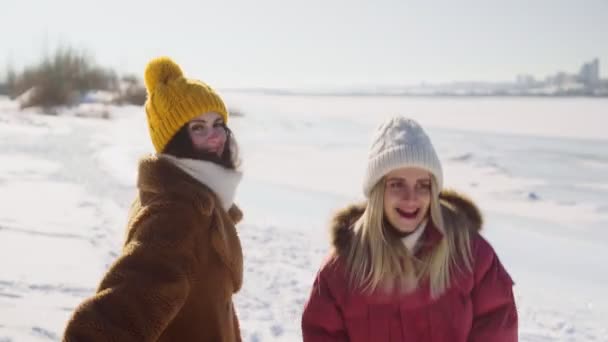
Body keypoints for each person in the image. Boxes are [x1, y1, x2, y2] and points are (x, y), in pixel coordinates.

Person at [63, 56, 245, 342]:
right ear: (174, 139)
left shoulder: (194, 198)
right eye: (198, 127)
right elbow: (115, 317)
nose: (215, 137)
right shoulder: (180, 212)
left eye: (218, 123)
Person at [301, 116, 518, 341]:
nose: (411, 198)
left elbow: (497, 328)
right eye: (397, 185)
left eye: (423, 186)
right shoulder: (342, 266)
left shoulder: (472, 255)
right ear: (377, 192)